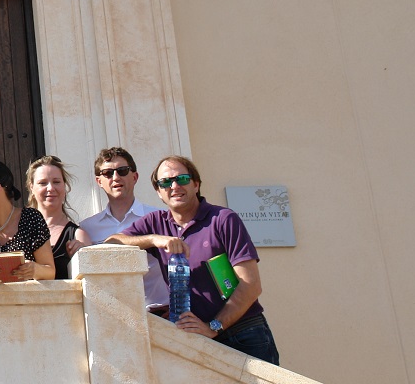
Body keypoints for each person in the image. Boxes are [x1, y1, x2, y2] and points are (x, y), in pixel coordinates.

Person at [106, 155, 279, 365]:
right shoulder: (155, 222)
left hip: (243, 334)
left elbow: (251, 286)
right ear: (159, 192)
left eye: (183, 179)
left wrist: (214, 326)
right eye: (166, 182)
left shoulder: (223, 219)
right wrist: (154, 239)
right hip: (195, 338)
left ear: (196, 184)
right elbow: (113, 241)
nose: (175, 186)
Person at [78, 147, 169, 306]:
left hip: (160, 314)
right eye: (107, 173)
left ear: (134, 177)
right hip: (110, 316)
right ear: (99, 181)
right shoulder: (87, 228)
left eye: (122, 171)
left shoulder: (160, 218)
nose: (115, 177)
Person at [26, 155, 90, 279]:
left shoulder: (78, 236)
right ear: (31, 188)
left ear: (64, 187)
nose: (50, 188)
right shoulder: (17, 230)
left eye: (56, 182)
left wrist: (82, 258)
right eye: (43, 183)